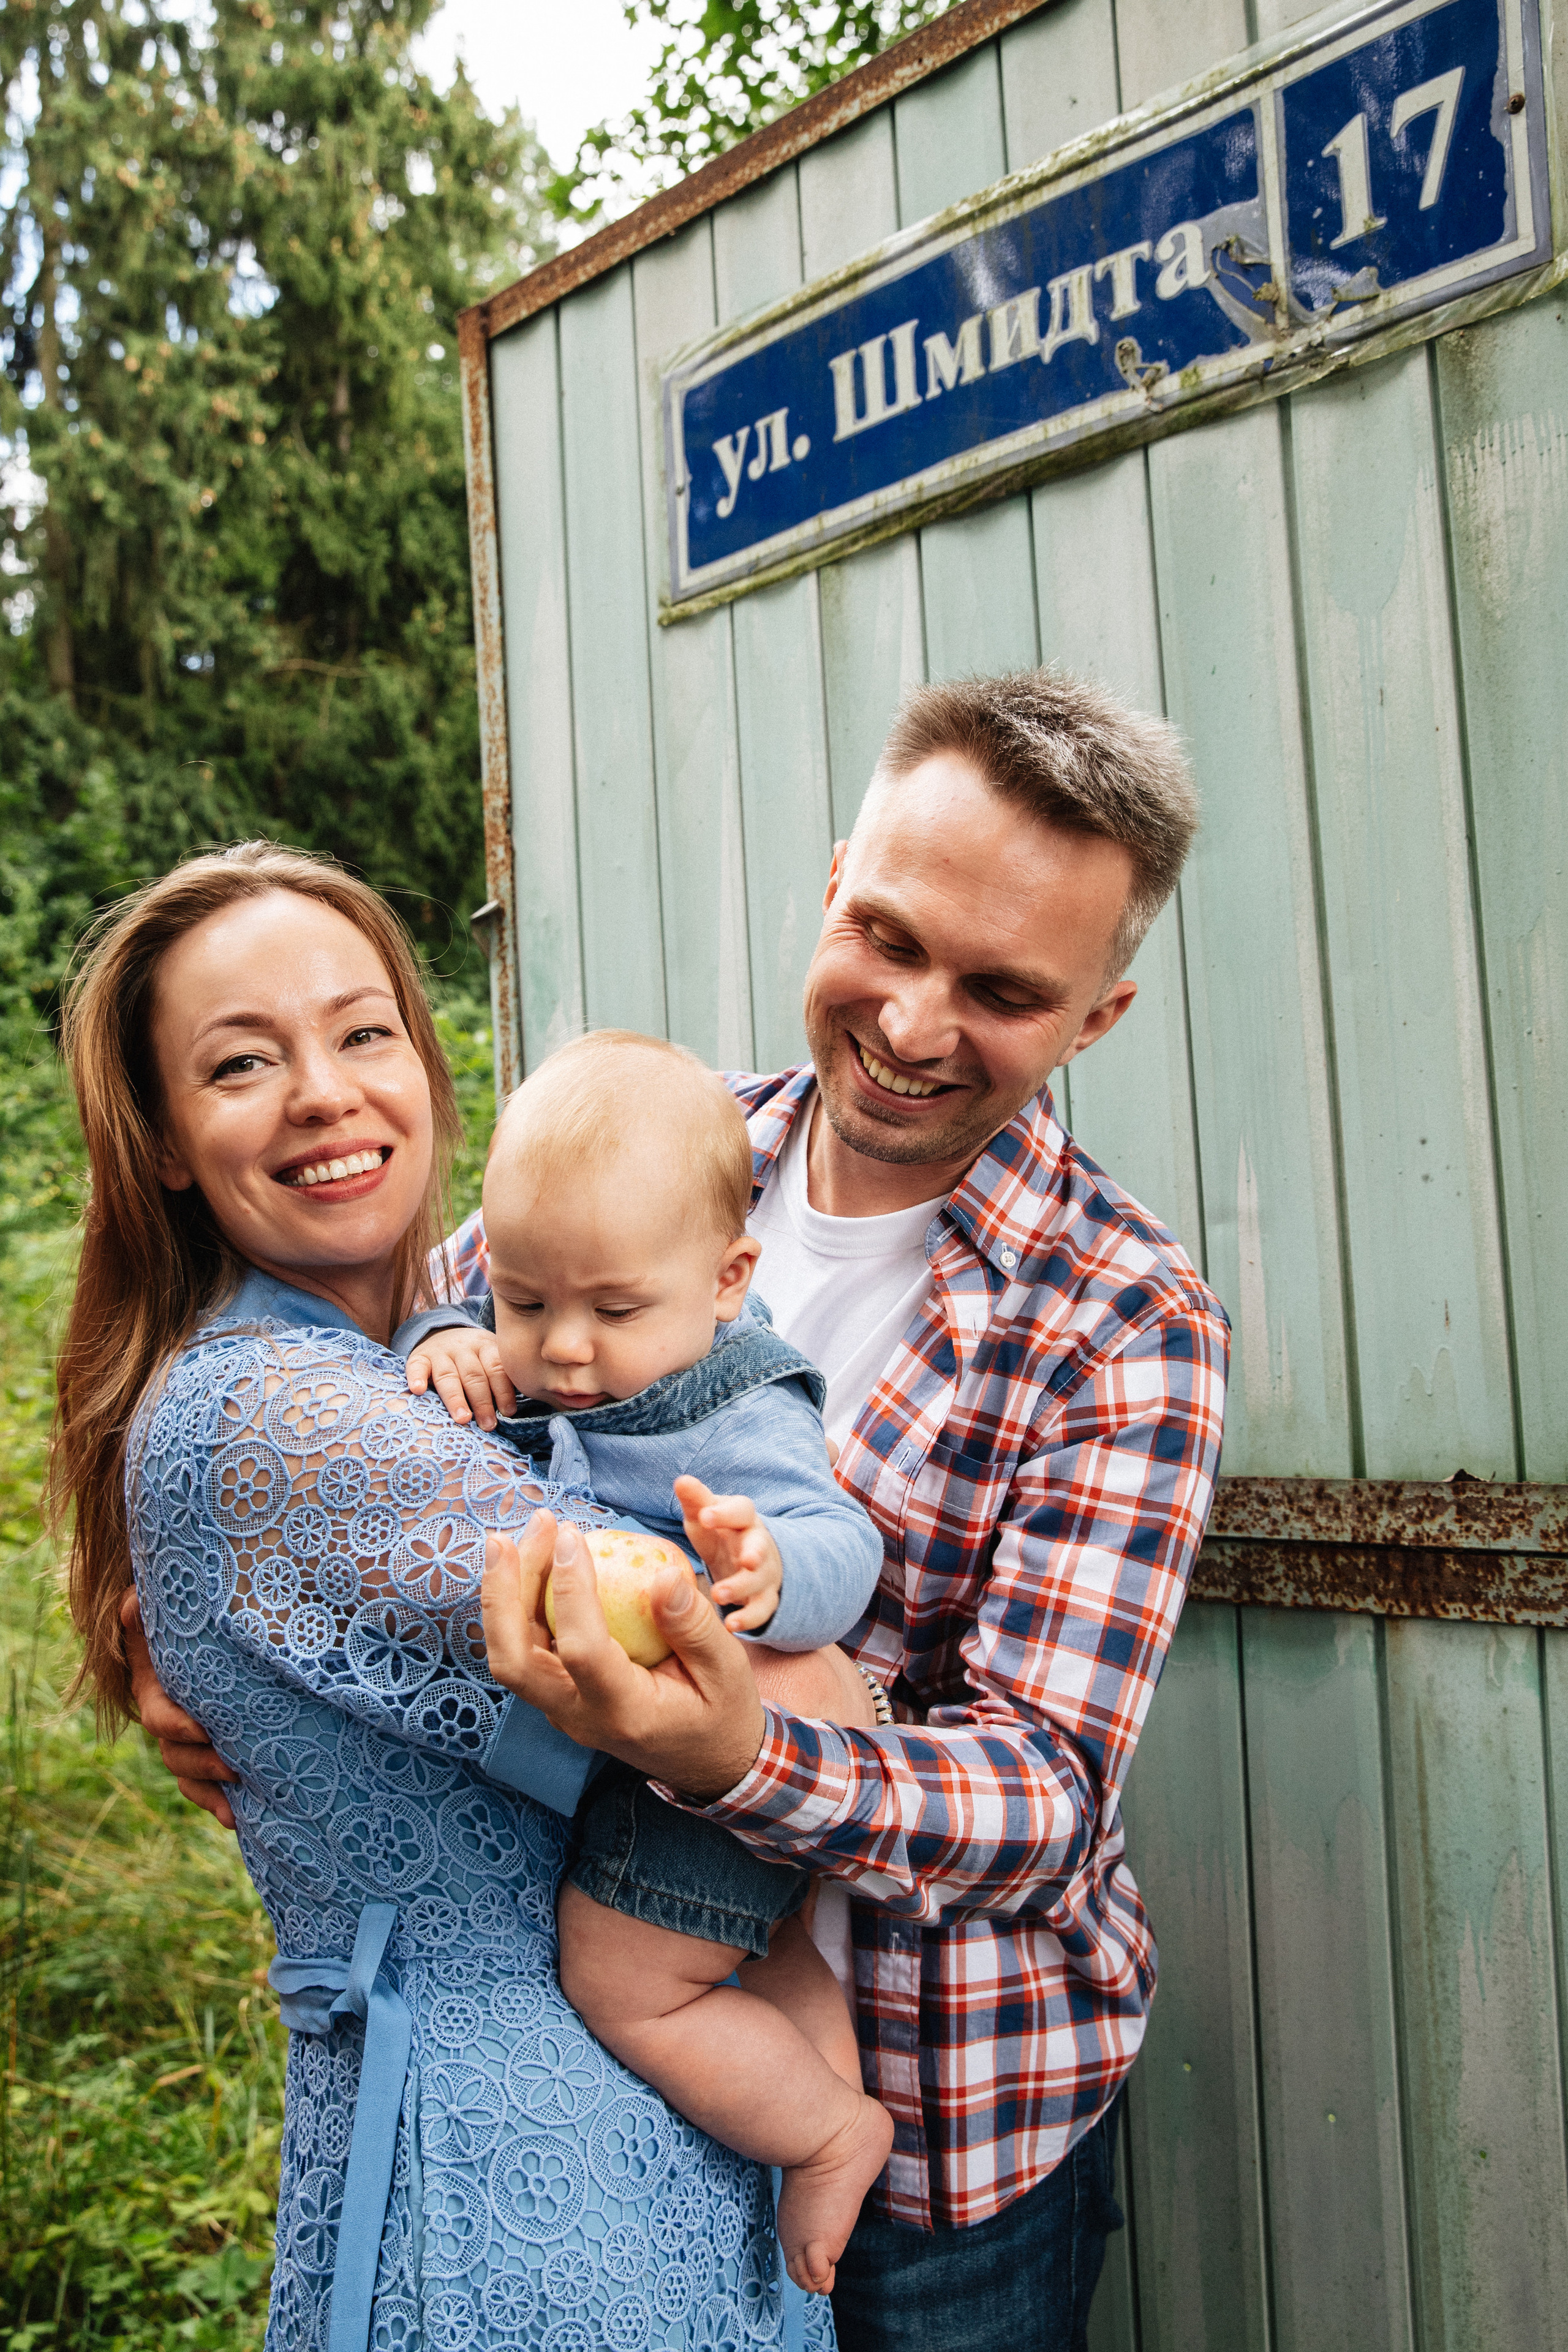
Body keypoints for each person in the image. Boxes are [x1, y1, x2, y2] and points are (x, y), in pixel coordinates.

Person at [134, 668, 1231, 2352]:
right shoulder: (651, 1150)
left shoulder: (1124, 1317)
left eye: (1004, 990)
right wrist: (180, 1639)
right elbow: (394, 1411)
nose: (918, 1023)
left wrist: (745, 1755)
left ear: (1101, 1016)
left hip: (951, 2120)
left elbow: (1047, 1798)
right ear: (835, 889)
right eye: (890, 937)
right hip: (643, 2110)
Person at [58, 842, 836, 2352]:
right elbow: (706, 1676)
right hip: (513, 2196)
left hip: (644, 2155)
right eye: (240, 1063)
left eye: (362, 1032)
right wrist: (837, 1677)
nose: (324, 1091)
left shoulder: (462, 1339)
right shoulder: (286, 1413)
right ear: (161, 1137)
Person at [395, 1030, 894, 2293]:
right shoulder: (563, 1309)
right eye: (522, 1300)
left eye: (613, 1310)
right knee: (759, 1951)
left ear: (729, 1279)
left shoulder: (735, 1404)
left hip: (727, 1760)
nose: (561, 1350)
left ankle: (834, 2132)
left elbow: (848, 1539)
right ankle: (817, 2081)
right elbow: (465, 1309)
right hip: (677, 1776)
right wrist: (445, 1333)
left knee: (626, 1981)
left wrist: (771, 1569)